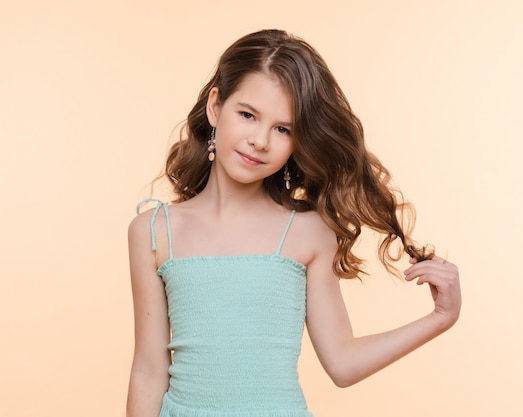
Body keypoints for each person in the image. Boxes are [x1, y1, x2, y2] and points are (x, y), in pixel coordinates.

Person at [126, 29, 461, 417]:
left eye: (283, 129)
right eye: (248, 115)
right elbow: (148, 372)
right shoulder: (153, 231)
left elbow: (343, 364)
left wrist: (440, 319)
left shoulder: (309, 232)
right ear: (215, 107)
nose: (261, 140)